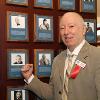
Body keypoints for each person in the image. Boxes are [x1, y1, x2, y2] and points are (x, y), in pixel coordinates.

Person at [21, 12, 100, 100]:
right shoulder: (58, 60)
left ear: (84, 30)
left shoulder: (97, 56)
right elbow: (54, 93)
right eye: (62, 28)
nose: (66, 32)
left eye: (71, 26)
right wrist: (29, 77)